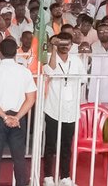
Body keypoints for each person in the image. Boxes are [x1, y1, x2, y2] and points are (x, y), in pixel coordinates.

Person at [0, 38, 37, 186]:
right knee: (19, 157)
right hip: (18, 118)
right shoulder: (25, 72)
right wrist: (16, 117)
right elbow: (31, 99)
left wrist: (5, 117)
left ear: (0, 53)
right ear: (16, 53)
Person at [41, 32, 85, 186]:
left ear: (72, 45)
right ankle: (48, 176)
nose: (65, 47)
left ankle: (65, 176)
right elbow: (50, 71)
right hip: (53, 107)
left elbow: (83, 80)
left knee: (66, 145)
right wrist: (53, 49)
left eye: (67, 44)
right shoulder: (50, 57)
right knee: (50, 145)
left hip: (71, 109)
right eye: (61, 44)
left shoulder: (76, 60)